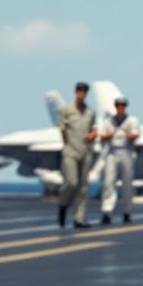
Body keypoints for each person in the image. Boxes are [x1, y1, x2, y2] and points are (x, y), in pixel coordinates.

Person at [56, 81, 97, 229]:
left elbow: (93, 129)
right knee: (71, 183)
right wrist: (66, 142)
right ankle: (63, 205)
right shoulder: (66, 110)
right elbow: (62, 127)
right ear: (75, 92)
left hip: (86, 151)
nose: (81, 94)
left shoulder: (90, 112)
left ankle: (79, 219)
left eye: (84, 91)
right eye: (79, 91)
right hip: (70, 150)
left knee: (83, 187)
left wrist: (93, 134)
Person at [98, 94, 142, 225]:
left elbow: (135, 135)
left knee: (127, 184)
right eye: (118, 105)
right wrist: (109, 136)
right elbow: (102, 137)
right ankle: (107, 211)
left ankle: (127, 212)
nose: (120, 108)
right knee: (108, 182)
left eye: (123, 105)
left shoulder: (132, 121)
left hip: (126, 151)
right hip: (112, 152)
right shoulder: (108, 121)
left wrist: (129, 134)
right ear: (115, 107)